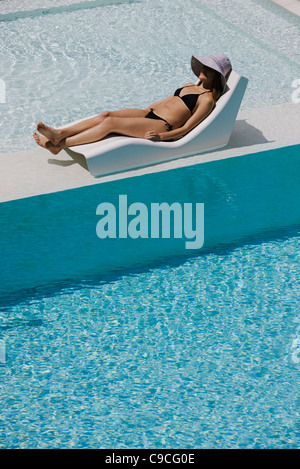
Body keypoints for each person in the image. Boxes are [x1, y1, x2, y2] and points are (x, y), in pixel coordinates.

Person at [33, 54, 232, 155]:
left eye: (208, 69)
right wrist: (144, 111)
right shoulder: (190, 85)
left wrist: (161, 136)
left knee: (110, 125)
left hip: (161, 124)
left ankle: (59, 144)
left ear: (217, 75)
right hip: (148, 113)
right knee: (106, 115)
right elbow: (167, 100)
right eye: (203, 67)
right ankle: (60, 133)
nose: (202, 70)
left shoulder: (207, 100)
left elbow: (187, 128)